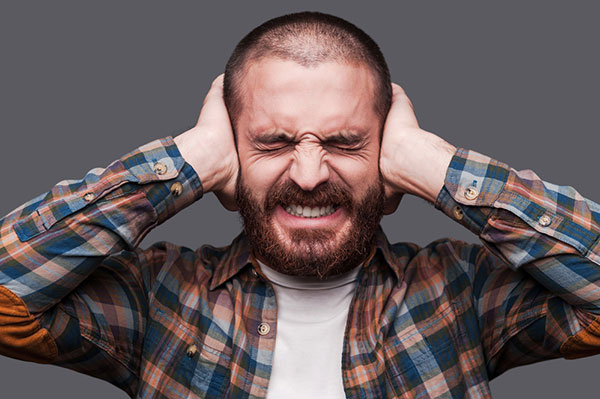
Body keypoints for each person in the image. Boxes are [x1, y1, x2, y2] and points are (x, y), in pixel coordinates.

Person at [0, 11, 599, 399]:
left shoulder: (463, 290)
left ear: (387, 156)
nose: (309, 176)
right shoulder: (157, 295)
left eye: (344, 143)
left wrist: (435, 166)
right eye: (272, 142)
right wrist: (187, 162)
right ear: (230, 158)